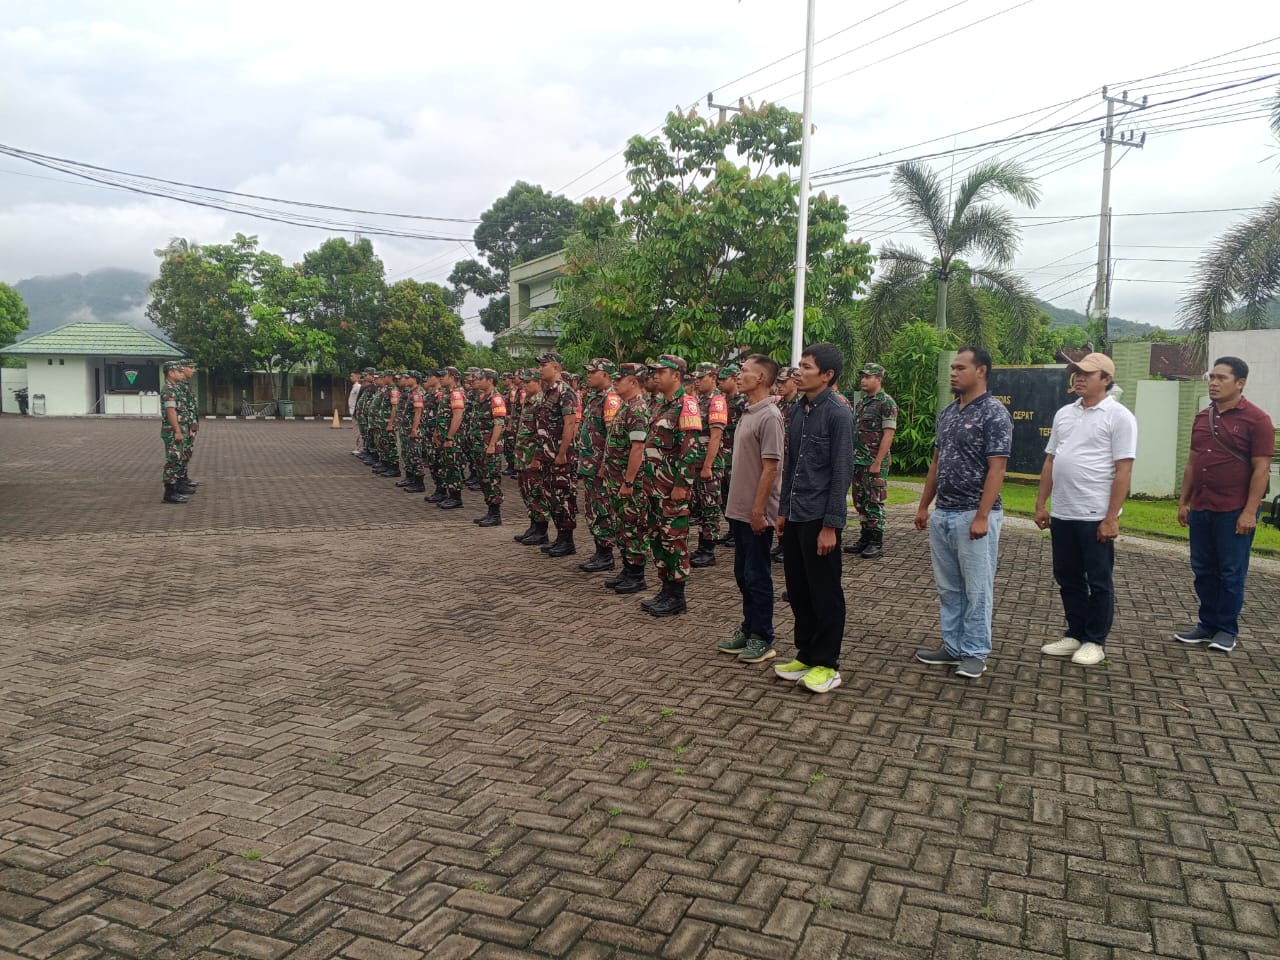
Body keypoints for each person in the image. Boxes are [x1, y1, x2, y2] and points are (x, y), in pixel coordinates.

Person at [914, 346, 1012, 679]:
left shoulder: (994, 413)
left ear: (981, 371)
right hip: (944, 513)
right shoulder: (949, 412)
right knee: (949, 587)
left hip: (973, 514)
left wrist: (983, 515)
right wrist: (924, 506)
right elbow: (937, 463)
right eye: (952, 367)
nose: (953, 373)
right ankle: (952, 647)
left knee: (977, 588)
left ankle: (974, 652)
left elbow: (997, 468)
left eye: (960, 367)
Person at [1033, 353, 1137, 666]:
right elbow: (1052, 460)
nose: (1078, 377)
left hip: (1095, 515)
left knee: (1099, 579)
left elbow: (1124, 470)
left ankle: (1095, 640)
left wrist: (1111, 518)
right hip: (1063, 512)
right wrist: (1041, 503)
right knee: (1067, 576)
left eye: (1087, 374)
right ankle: (1075, 633)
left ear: (1106, 379)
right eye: (1076, 373)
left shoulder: (1119, 417)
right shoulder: (1065, 413)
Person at [1175, 356, 1275, 652]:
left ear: (1240, 383)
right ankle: (1206, 625)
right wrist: (1184, 501)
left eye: (1221, 378)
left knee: (1231, 571)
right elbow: (1194, 462)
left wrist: (1249, 512)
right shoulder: (1202, 417)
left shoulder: (1257, 420)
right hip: (1203, 506)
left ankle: (1227, 630)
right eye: (1211, 377)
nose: (1214, 383)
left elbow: (1261, 469)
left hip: (1234, 509)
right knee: (1203, 569)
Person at [772, 344, 853, 693]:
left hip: (820, 518)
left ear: (827, 375)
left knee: (825, 592)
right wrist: (782, 511)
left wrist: (831, 526)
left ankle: (827, 663)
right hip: (796, 515)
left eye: (806, 366)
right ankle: (806, 653)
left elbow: (841, 472)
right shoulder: (798, 411)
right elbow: (792, 466)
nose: (798, 372)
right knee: (798, 589)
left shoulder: (838, 413)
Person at [717, 354, 785, 665]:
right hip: (740, 510)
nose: (739, 375)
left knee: (757, 576)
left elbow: (771, 468)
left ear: (761, 379)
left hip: (757, 512)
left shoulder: (770, 415)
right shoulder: (749, 412)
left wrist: (759, 511)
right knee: (743, 575)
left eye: (745, 371)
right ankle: (749, 627)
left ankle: (763, 636)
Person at [640, 354, 702, 617]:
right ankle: (665, 589)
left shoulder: (686, 406)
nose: (655, 375)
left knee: (675, 540)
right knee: (658, 538)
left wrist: (681, 486)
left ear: (676, 375)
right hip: (654, 488)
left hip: (671, 489)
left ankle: (677, 596)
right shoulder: (659, 406)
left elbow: (691, 450)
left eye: (660, 371)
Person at [601, 363, 653, 594]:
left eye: (620, 379)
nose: (615, 382)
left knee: (633, 527)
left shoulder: (637, 409)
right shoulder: (625, 407)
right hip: (616, 478)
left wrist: (629, 482)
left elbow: (638, 448)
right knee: (622, 526)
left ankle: (637, 574)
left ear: (633, 381)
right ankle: (627, 568)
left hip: (629, 481)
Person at [845, 362, 897, 559]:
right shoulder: (862, 403)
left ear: (879, 379)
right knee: (860, 501)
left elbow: (888, 435)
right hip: (858, 460)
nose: (863, 380)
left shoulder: (886, 403)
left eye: (868, 377)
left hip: (874, 461)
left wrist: (878, 461)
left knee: (874, 501)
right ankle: (865, 537)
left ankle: (876, 540)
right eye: (862, 376)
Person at [531, 352, 580, 557]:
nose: (540, 369)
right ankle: (560, 536)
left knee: (563, 496)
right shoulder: (547, 392)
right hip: (548, 454)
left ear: (556, 368)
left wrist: (562, 453)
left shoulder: (565, 392)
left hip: (561, 455)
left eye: (544, 365)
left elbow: (570, 424)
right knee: (552, 497)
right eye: (540, 365)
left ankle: (567, 540)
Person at [576, 359, 618, 572]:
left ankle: (606, 554)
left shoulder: (610, 399)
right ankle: (599, 550)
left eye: (594, 372)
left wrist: (604, 465)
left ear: (606, 374)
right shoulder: (594, 398)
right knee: (592, 509)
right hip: (589, 464)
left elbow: (612, 435)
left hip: (600, 466)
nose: (589, 375)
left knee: (602, 509)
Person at [689, 362, 729, 568]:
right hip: (695, 461)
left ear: (713, 378)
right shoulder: (697, 400)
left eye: (701, 377)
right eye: (695, 377)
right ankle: (701, 547)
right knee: (699, 506)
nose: (696, 380)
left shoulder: (717, 401)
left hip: (708, 464)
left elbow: (715, 437)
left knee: (710, 507)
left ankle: (708, 549)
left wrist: (707, 466)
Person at [513, 370, 550, 545]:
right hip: (523, 455)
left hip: (532, 456)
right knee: (526, 491)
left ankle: (542, 530)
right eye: (524, 383)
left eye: (529, 382)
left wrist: (537, 458)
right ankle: (534, 525)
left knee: (536, 492)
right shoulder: (528, 401)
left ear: (538, 382)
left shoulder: (541, 402)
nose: (525, 385)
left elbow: (541, 433)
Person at [435, 367, 467, 509]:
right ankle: (450, 494)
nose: (440, 378)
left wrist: (449, 437)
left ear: (453, 377)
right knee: (447, 466)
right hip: (444, 437)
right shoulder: (447, 393)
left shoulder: (456, 394)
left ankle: (456, 498)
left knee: (453, 466)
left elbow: (457, 416)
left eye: (444, 375)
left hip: (453, 439)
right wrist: (437, 432)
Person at [159, 361, 189, 504]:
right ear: (170, 372)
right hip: (172, 431)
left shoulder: (175, 388)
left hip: (178, 430)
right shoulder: (168, 390)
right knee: (173, 460)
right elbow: (171, 411)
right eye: (178, 371)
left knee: (177, 459)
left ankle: (175, 488)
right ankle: (169, 493)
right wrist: (177, 430)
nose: (181, 373)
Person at [348, 371, 363, 455]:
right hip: (353, 411)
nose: (351, 378)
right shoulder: (354, 386)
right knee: (356, 430)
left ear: (358, 377)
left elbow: (359, 399)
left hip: (355, 411)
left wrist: (356, 411)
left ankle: (358, 448)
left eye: (352, 376)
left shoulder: (358, 387)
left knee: (358, 431)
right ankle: (357, 447)